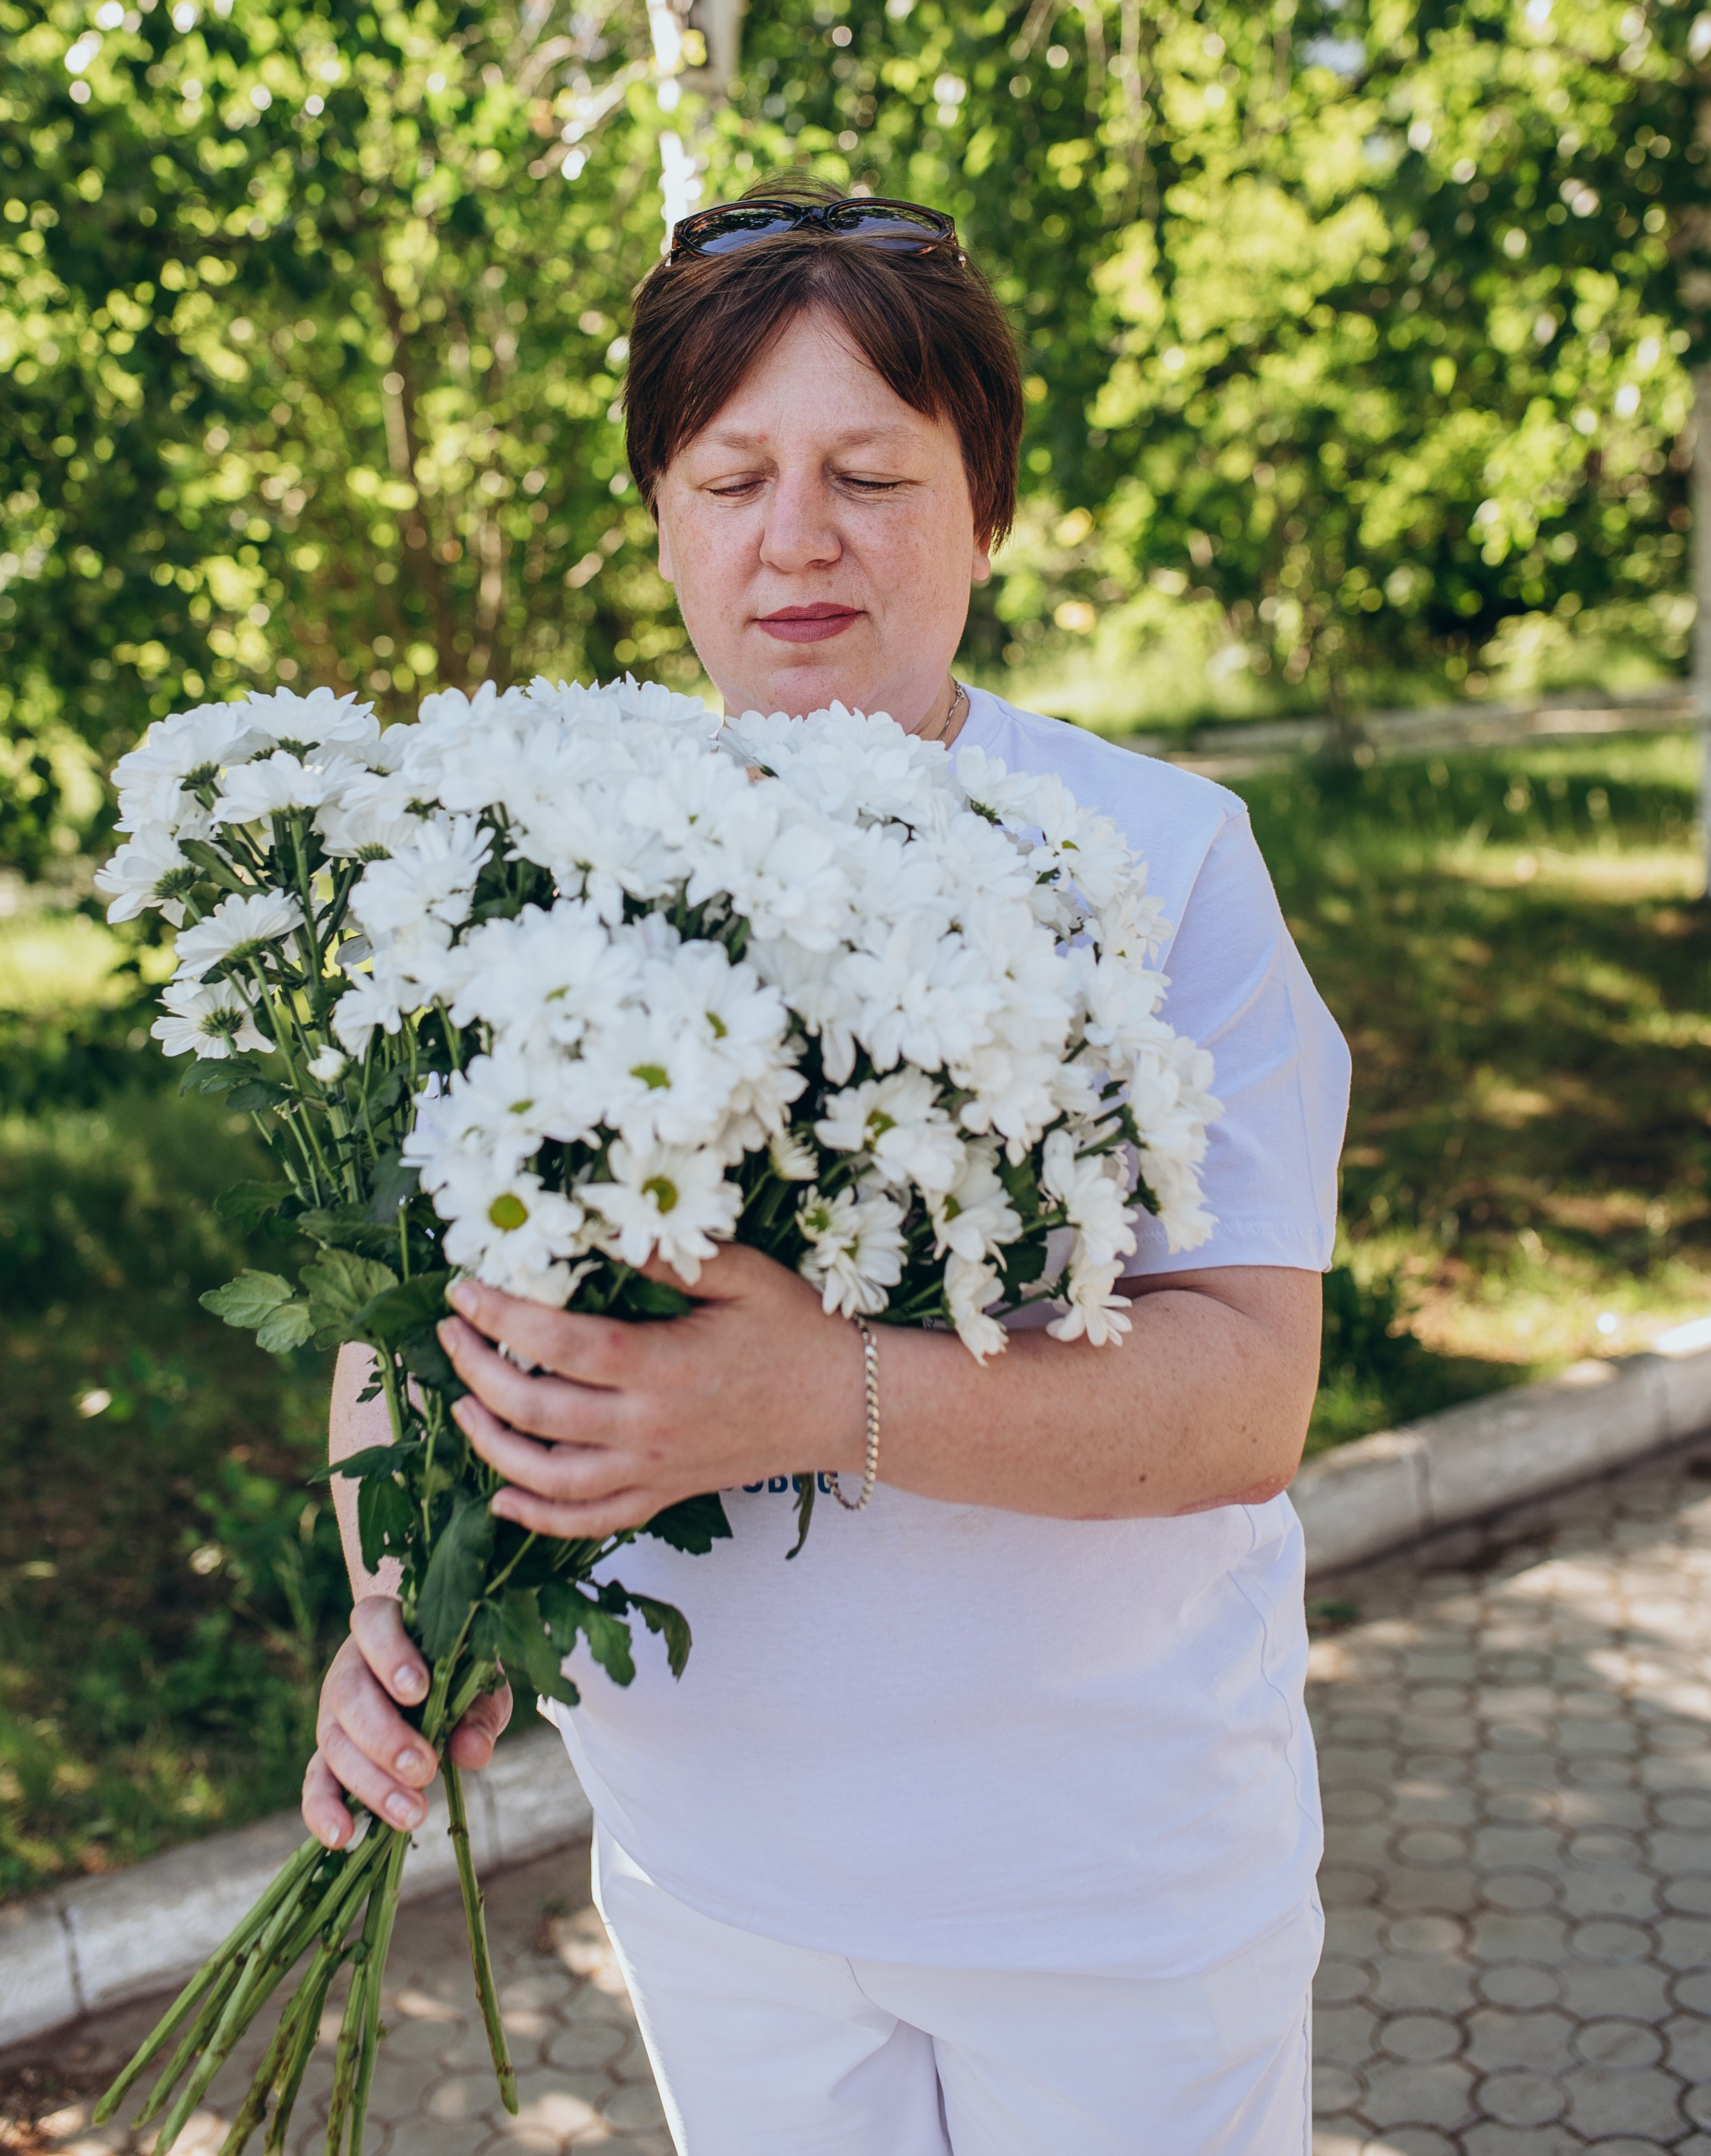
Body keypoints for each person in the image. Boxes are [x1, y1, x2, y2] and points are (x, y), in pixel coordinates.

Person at [304, 183, 1350, 2155]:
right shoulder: (540, 867)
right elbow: (405, 1316)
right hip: (723, 1897)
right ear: (663, 516)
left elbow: (1245, 1400)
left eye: (871, 472)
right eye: (731, 476)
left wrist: (813, 1396)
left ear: (988, 510)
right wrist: (398, 1603)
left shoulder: (1158, 863)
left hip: (1107, 1900)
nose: (797, 539)